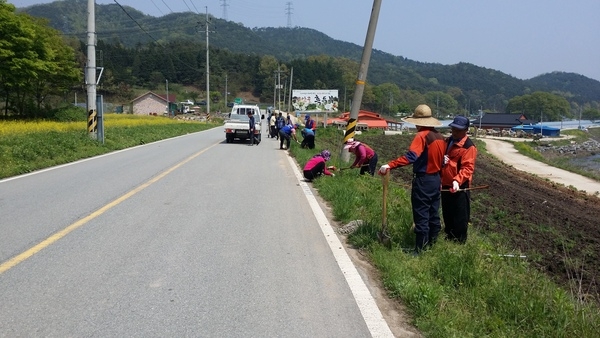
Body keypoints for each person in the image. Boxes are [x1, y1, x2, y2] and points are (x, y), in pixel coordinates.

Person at [378, 104, 446, 253]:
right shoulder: (440, 137)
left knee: (421, 214)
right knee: (433, 214)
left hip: (423, 180)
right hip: (436, 180)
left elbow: (412, 156)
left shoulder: (421, 136)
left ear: (417, 122)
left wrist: (389, 165)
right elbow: (442, 162)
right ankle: (432, 246)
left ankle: (419, 250)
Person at [441, 115, 477, 243]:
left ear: (466, 130)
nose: (455, 132)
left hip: (460, 187)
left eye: (458, 129)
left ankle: (459, 243)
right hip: (445, 185)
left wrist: (457, 181)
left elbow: (467, 168)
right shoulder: (447, 142)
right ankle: (448, 238)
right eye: (454, 128)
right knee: (447, 214)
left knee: (460, 217)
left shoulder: (468, 147)